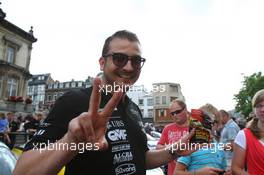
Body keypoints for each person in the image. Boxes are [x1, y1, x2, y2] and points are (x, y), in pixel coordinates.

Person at [13, 30, 195, 175]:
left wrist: (173, 150)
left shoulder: (133, 108)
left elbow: (141, 159)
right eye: (119, 58)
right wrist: (72, 141)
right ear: (102, 63)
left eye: (136, 61)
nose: (129, 67)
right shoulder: (74, 101)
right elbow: (22, 171)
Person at [232, 89, 264, 174]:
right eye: (259, 106)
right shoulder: (244, 135)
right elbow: (236, 168)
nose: (262, 109)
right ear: (254, 110)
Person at [156, 99, 189, 175]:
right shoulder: (167, 128)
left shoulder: (194, 128)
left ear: (185, 109)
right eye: (172, 113)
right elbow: (158, 147)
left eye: (177, 112)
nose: (175, 115)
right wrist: (173, 147)